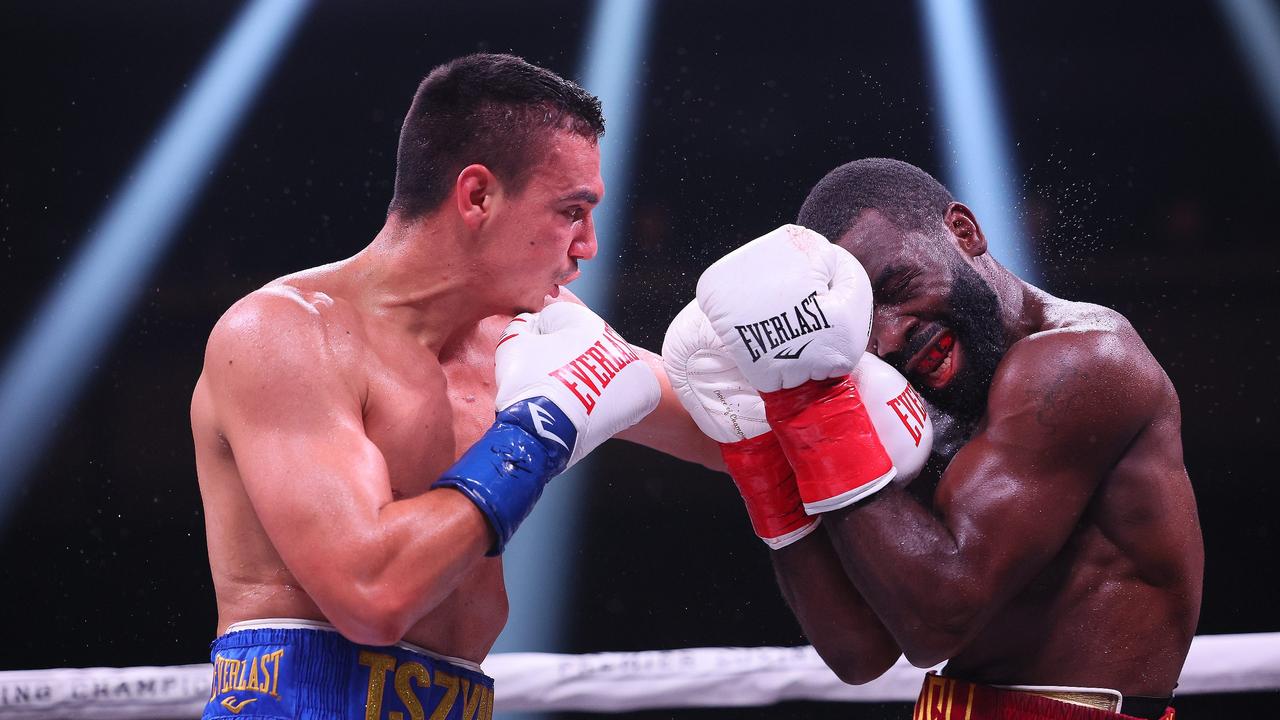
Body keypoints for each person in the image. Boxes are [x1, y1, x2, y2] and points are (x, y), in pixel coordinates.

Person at [190, 53, 714, 720]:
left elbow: (720, 429)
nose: (589, 245)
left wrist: (837, 363)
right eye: (570, 211)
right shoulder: (282, 336)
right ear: (477, 196)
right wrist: (534, 436)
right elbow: (371, 595)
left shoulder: (530, 335)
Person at [667, 159, 1202, 720]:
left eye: (900, 286)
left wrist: (809, 406)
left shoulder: (1082, 361)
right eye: (866, 321)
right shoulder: (912, 394)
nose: (891, 336)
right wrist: (761, 452)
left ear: (963, 232)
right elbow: (860, 651)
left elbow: (937, 622)